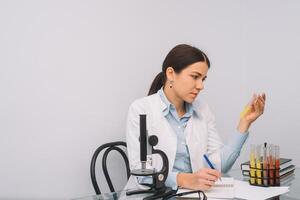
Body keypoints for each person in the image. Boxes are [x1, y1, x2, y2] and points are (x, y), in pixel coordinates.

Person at [126, 44, 266, 190]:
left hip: (190, 196)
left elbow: (219, 166)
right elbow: (140, 173)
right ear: (171, 74)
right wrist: (182, 179)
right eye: (195, 77)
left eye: (203, 79)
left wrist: (245, 122)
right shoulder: (141, 109)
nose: (200, 86)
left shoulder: (202, 109)